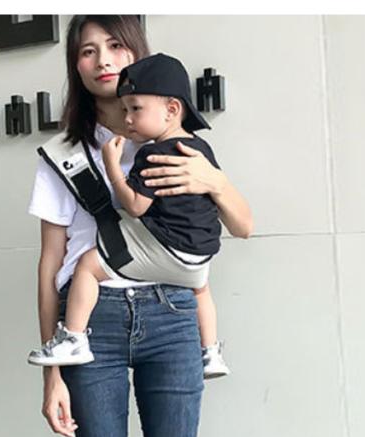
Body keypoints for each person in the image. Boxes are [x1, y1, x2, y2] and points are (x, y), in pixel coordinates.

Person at [28, 15, 252, 437]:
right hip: (89, 323)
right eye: (86, 50)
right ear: (74, 65)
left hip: (171, 317)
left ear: (138, 56)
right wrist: (53, 369)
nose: (101, 59)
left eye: (115, 45)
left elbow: (241, 223)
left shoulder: (176, 140)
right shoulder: (65, 154)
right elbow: (49, 262)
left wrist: (214, 181)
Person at [28, 52, 230, 380]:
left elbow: (136, 206)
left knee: (88, 266)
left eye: (135, 109)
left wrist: (112, 168)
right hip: (198, 255)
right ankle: (211, 352)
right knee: (201, 288)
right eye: (88, 51)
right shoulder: (199, 149)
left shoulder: (152, 153)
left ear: (171, 109)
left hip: (163, 265)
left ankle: (74, 338)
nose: (129, 118)